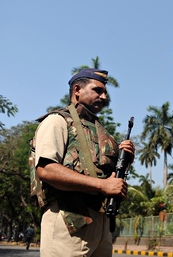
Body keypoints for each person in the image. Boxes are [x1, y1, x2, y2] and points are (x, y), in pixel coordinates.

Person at [34, 68, 135, 257]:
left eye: (105, 92)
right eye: (98, 90)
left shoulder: (101, 132)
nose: (104, 96)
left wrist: (126, 159)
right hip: (68, 219)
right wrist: (102, 185)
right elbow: (46, 170)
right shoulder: (57, 121)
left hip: (100, 221)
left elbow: (108, 177)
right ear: (77, 90)